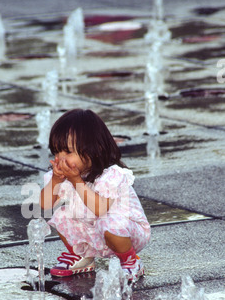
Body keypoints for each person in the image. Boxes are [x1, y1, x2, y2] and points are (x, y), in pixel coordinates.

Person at [40, 109, 151, 282]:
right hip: (96, 235)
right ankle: (81, 256)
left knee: (108, 221)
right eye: (56, 152)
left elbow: (100, 210)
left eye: (68, 152)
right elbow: (45, 205)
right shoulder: (63, 177)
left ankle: (130, 261)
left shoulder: (111, 176)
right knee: (61, 214)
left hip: (127, 235)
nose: (61, 159)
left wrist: (76, 181)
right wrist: (55, 180)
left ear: (95, 150)